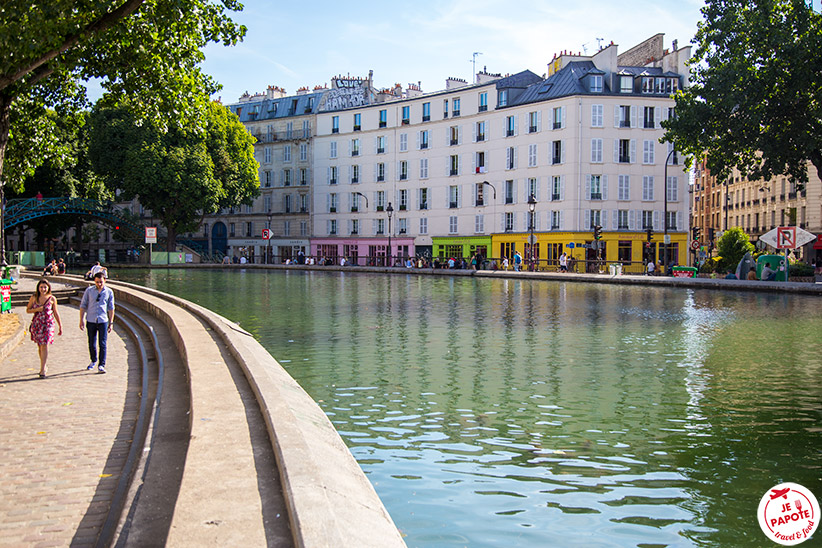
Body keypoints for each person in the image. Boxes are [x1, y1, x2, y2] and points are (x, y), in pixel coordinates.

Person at [79, 272, 115, 374]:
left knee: (102, 343)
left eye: (101, 282)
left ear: (105, 281)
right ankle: (93, 360)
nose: (99, 284)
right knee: (91, 342)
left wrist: (111, 322)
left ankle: (102, 364)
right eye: (97, 282)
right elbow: (83, 305)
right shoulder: (89, 291)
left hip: (103, 320)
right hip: (91, 319)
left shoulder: (109, 292)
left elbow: (111, 308)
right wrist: (81, 319)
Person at [27, 279, 63, 378]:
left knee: (45, 344)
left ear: (48, 288)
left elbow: (55, 312)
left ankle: (42, 369)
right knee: (40, 346)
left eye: (45, 287)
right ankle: (43, 364)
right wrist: (37, 309)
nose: (43, 289)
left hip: (48, 324)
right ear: (38, 288)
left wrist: (60, 325)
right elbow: (28, 310)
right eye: (41, 287)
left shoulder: (52, 299)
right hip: (37, 324)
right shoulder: (34, 297)